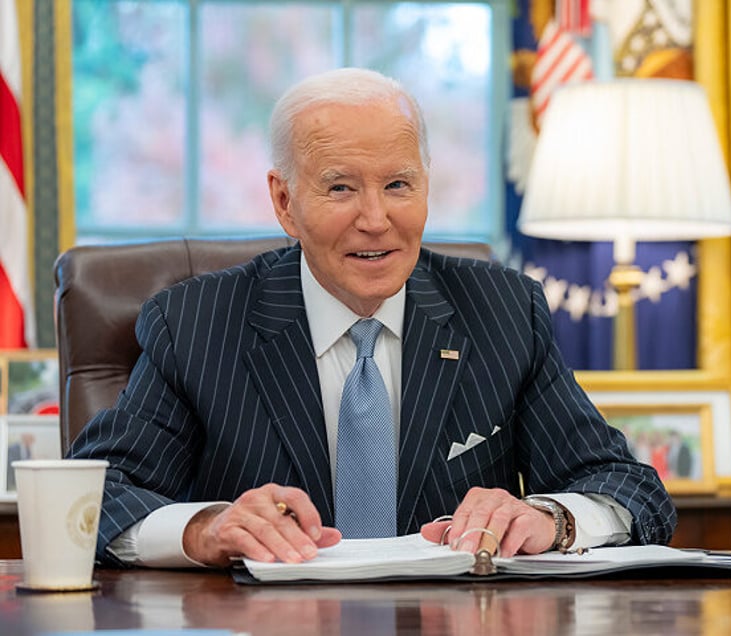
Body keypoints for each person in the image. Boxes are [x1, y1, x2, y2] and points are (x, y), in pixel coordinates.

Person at [69, 67, 675, 569]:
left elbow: (628, 488)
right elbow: (90, 497)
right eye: (340, 189)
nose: (377, 219)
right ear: (285, 201)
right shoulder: (197, 322)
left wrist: (550, 517)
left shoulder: (504, 311)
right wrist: (205, 529)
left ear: (427, 188)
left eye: (398, 184)